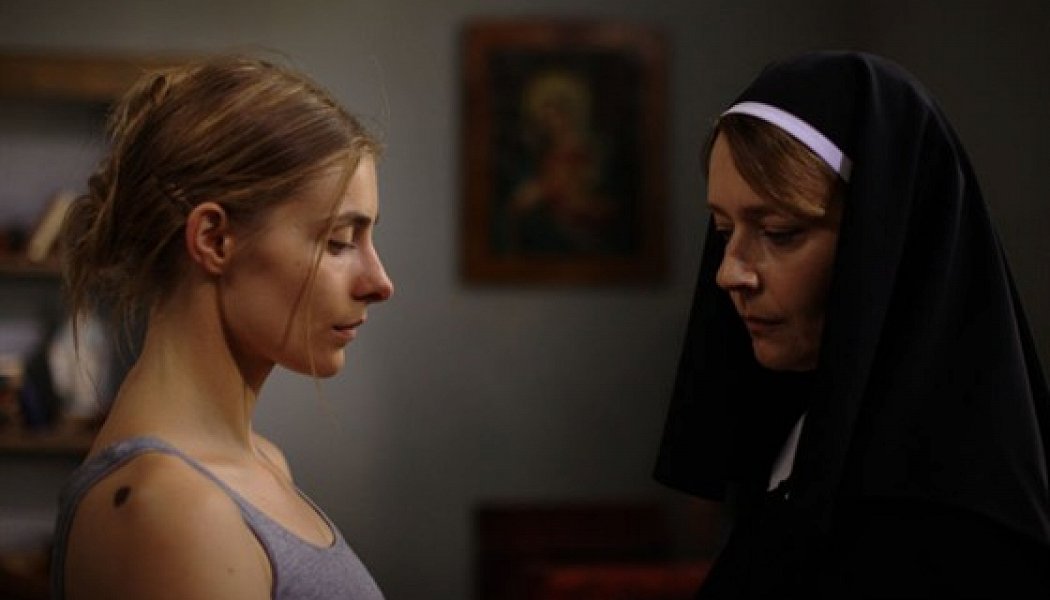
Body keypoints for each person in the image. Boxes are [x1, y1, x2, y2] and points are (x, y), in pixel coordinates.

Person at [654, 51, 1050, 597]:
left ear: (887, 248)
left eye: (780, 233)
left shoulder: (959, 530)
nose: (728, 273)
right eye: (724, 232)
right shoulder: (799, 446)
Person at [50, 55, 394, 599]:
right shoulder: (174, 510)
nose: (379, 282)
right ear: (213, 240)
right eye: (338, 242)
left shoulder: (261, 463)